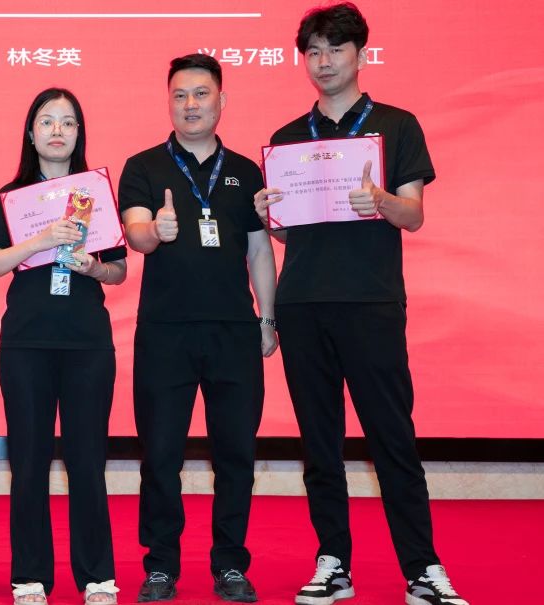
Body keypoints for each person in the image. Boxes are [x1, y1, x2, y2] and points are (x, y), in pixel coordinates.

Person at [252, 5, 470, 605]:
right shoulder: (289, 138)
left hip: (371, 301)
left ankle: (423, 569)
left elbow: (413, 214)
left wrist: (381, 200)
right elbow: (292, 233)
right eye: (313, 52)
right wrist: (270, 217)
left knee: (392, 439)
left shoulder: (397, 125)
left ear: (360, 54)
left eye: (335, 50)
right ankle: (333, 563)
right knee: (319, 445)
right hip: (303, 305)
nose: (323, 62)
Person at [119, 54, 278, 603]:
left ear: (221, 100)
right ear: (169, 102)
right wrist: (155, 230)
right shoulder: (144, 167)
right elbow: (135, 232)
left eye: (201, 93)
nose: (191, 104)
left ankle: (230, 563)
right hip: (165, 332)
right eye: (180, 95)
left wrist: (267, 318)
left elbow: (260, 252)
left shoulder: (247, 172)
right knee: (161, 454)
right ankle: (161, 565)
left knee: (236, 454)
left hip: (234, 331)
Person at [0, 88, 128, 605]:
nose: (57, 130)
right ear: (31, 132)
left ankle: (97, 575)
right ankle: (30, 576)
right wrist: (39, 241)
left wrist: (92, 268)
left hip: (87, 344)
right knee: (29, 462)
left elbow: (119, 270)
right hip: (26, 345)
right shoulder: (12, 197)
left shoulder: (95, 193)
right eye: (47, 121)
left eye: (67, 122)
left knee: (87, 462)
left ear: (79, 133)